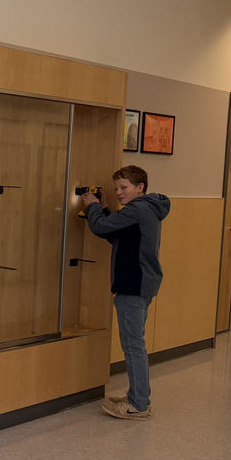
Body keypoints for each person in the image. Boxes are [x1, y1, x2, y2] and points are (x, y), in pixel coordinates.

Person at [81, 165, 170, 421]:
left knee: (133, 346)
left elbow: (100, 227)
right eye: (117, 188)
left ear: (140, 187)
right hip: (143, 283)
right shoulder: (148, 209)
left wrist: (92, 206)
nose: (119, 192)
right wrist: (105, 210)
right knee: (135, 344)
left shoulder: (138, 209)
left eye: (124, 188)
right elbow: (116, 233)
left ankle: (138, 404)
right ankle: (137, 397)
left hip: (133, 286)